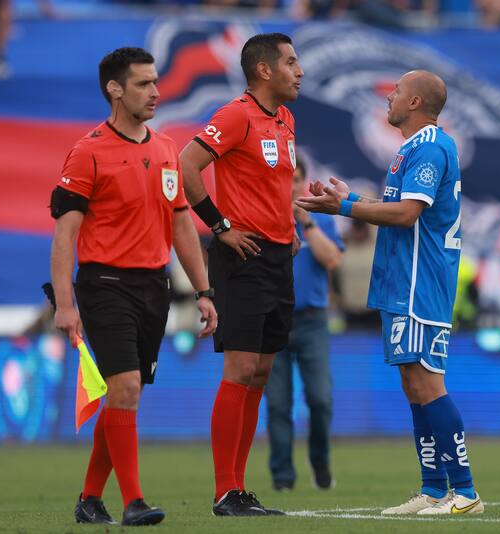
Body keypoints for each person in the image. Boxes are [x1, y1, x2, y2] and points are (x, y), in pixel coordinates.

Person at [297, 70, 484, 516]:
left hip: (423, 279)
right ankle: (434, 489)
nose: (389, 98)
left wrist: (344, 207)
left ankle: (466, 491)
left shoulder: (432, 147)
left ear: (416, 102)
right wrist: (354, 196)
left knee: (428, 382)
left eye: (396, 92)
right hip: (401, 279)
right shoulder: (411, 149)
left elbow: (405, 215)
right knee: (412, 384)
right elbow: (398, 207)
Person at [50, 47, 216, 527]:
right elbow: (66, 234)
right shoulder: (87, 152)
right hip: (104, 284)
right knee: (123, 387)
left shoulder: (166, 149)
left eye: (156, 82)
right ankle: (134, 502)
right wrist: (65, 304)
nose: (156, 92)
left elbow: (182, 224)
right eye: (144, 84)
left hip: (153, 287)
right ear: (114, 89)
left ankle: (88, 499)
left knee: (127, 393)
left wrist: (204, 291)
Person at [179, 32, 303, 516]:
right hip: (243, 256)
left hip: (277, 256)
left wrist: (289, 223)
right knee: (241, 368)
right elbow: (187, 166)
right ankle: (224, 490)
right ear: (265, 70)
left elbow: (274, 182)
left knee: (262, 371)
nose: (300, 70)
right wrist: (220, 226)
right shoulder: (235, 115)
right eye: (292, 62)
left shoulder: (286, 119)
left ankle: (239, 487)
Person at [266, 158, 343, 492]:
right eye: (287, 178)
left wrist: (307, 223)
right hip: (273, 319)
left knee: (321, 398)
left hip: (312, 320)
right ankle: (283, 476)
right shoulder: (266, 216)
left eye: (297, 179)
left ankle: (320, 464)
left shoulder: (320, 219)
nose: (293, 185)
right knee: (278, 404)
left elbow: (332, 260)